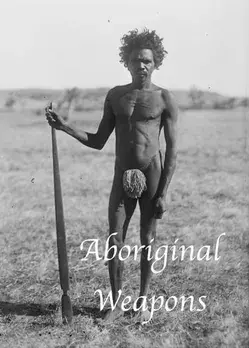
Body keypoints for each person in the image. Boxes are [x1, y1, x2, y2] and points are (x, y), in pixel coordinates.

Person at [45, 28, 178, 323]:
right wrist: (65, 127)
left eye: (147, 60)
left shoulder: (164, 98)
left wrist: (164, 193)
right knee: (114, 239)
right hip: (123, 174)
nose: (141, 65)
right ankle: (116, 303)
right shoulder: (116, 96)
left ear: (156, 63)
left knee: (148, 238)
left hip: (152, 173)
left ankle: (142, 301)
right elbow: (97, 140)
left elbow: (172, 150)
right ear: (126, 62)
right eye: (135, 60)